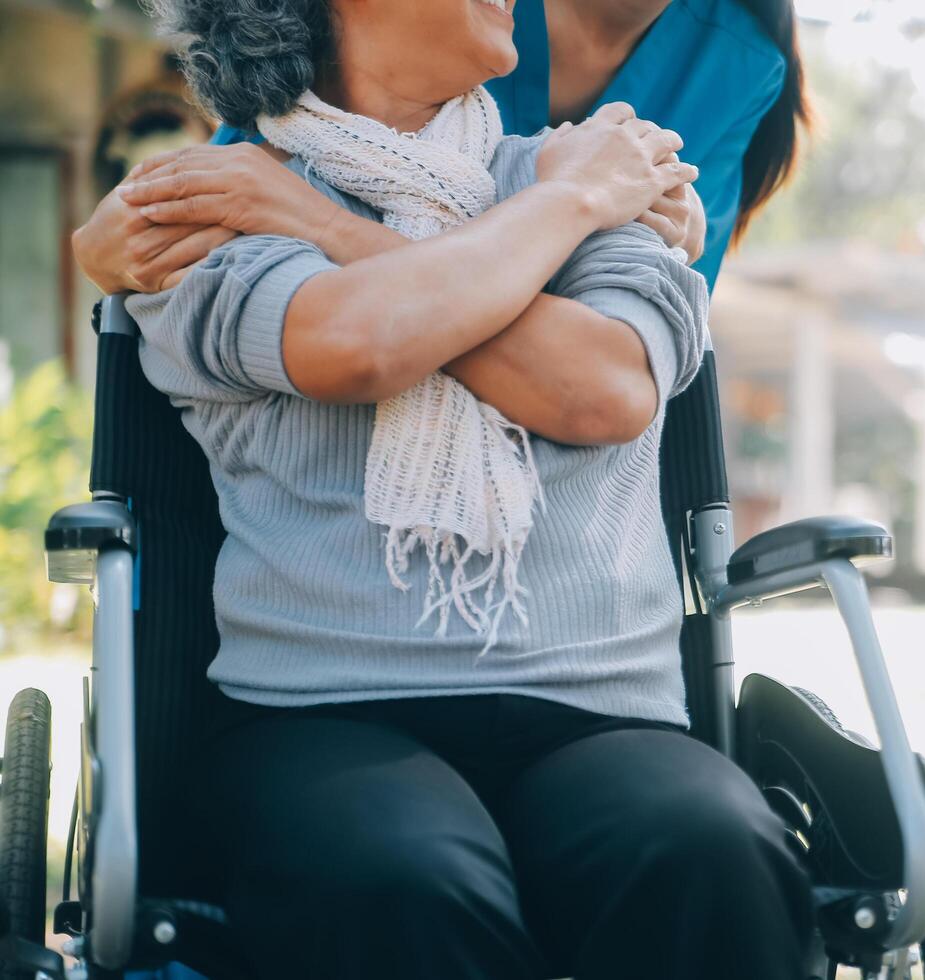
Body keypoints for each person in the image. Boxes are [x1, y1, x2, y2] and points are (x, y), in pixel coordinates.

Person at [115, 0, 813, 977]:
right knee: (400, 875)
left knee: (709, 843)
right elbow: (356, 343)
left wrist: (349, 232)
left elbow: (606, 387)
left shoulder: (606, 178)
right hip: (322, 715)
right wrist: (562, 216)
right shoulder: (225, 204)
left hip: (603, 710)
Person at [72, 0, 808, 294]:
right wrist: (106, 245)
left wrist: (320, 225)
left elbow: (638, 331)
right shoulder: (462, 16)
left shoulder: (740, 61)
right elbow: (274, 150)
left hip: (570, 460)